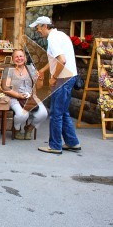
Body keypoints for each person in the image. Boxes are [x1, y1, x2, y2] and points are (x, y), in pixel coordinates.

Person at [30, 16, 81, 154]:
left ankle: (55, 146)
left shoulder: (52, 38)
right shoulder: (60, 35)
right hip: (69, 77)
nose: (37, 31)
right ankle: (72, 142)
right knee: (63, 111)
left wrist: (53, 78)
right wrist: (43, 70)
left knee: (55, 113)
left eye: (38, 28)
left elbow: (62, 60)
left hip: (63, 79)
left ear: (45, 26)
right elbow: (54, 59)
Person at [2, 49, 48, 140]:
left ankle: (29, 128)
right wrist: (18, 95)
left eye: (21, 56)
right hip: (13, 97)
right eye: (16, 56)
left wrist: (41, 79)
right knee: (23, 115)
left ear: (25, 58)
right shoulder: (8, 70)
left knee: (43, 113)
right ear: (12, 59)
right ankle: (17, 129)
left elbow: (38, 87)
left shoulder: (31, 69)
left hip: (30, 97)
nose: (19, 58)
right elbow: (5, 87)